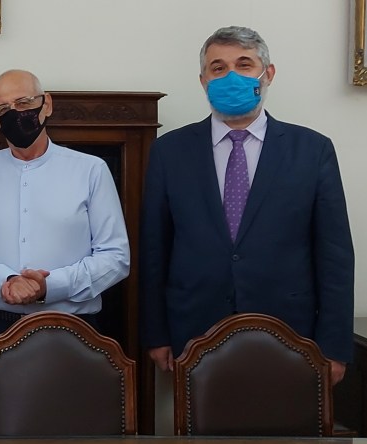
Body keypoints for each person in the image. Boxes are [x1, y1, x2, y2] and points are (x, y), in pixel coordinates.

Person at [140, 26, 354, 386]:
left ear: (267, 74)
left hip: (290, 329)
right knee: (198, 425)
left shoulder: (312, 150)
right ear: (203, 80)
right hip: (193, 328)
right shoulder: (169, 151)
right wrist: (156, 334)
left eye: (244, 64)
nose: (231, 76)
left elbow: (335, 255)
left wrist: (334, 346)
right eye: (218, 68)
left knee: (284, 424)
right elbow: (154, 250)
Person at [0, 69, 130, 424]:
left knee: (71, 435)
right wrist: (6, 280)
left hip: (71, 329)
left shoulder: (90, 171)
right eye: (3, 109)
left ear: (47, 105)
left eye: (24, 102)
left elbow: (116, 258)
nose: (15, 114)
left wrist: (48, 286)